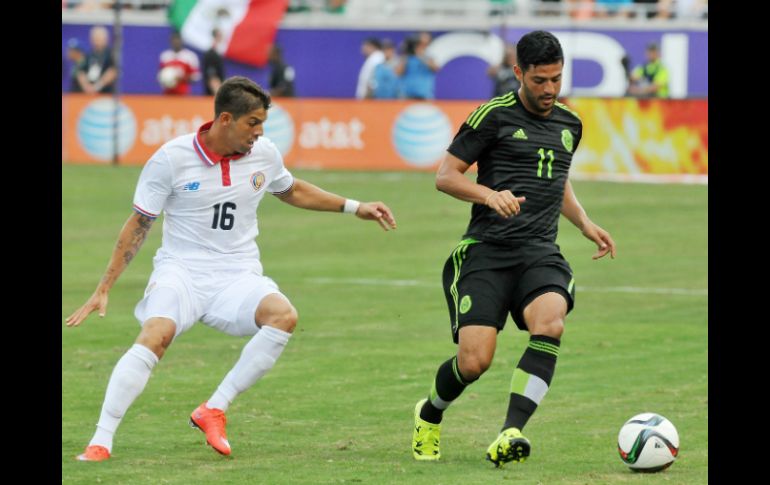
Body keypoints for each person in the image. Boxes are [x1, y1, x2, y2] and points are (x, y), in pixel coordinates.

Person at [67, 76, 397, 462]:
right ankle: (101, 440)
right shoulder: (171, 159)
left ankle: (214, 408)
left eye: (262, 124)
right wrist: (104, 286)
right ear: (226, 119)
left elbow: (290, 189)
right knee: (157, 333)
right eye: (252, 123)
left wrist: (355, 206)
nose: (259, 132)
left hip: (238, 275)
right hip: (182, 272)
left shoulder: (265, 153)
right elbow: (139, 224)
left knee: (283, 315)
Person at [411, 30, 616, 468]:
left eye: (556, 79)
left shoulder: (569, 124)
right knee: (474, 362)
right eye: (540, 80)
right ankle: (429, 414)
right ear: (519, 72)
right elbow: (446, 176)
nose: (549, 90)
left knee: (551, 322)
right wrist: (488, 195)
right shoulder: (493, 115)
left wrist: (585, 223)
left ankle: (511, 431)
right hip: (487, 251)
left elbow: (557, 180)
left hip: (539, 251)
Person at [396, 32, 439, 100]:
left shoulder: (429, 57)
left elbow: (436, 68)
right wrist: (405, 55)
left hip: (424, 95)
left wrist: (421, 56)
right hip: (407, 95)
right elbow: (398, 73)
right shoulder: (407, 58)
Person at [76, 25, 117, 94]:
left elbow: (112, 72)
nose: (96, 41)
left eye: (99, 38)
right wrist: (86, 86)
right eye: (95, 38)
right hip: (87, 93)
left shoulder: (110, 54)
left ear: (105, 39)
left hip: (105, 93)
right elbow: (80, 71)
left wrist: (97, 87)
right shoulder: (89, 55)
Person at [158, 31, 201, 95]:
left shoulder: (190, 56)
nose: (176, 42)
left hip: (183, 94)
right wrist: (166, 79)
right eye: (174, 40)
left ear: (182, 41)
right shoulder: (165, 56)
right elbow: (161, 74)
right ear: (170, 41)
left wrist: (181, 78)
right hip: (167, 94)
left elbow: (196, 77)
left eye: (178, 40)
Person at [202, 28, 225, 96]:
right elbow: (212, 76)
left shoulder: (218, 52)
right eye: (220, 35)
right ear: (215, 37)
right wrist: (217, 93)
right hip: (213, 95)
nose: (222, 37)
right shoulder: (211, 54)